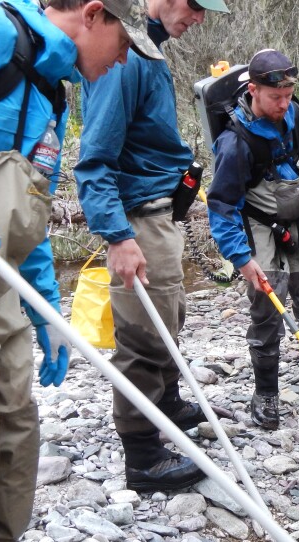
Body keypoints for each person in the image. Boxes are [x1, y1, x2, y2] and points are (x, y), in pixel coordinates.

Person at [0, 0, 158, 539]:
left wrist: (45, 306)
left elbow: (30, 208)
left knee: (15, 443)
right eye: (123, 46)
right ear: (93, 15)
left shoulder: (51, 91)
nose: (122, 63)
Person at [74, 0, 231, 492]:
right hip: (138, 215)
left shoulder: (148, 49)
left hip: (161, 211)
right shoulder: (123, 58)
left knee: (170, 314)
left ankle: (164, 404)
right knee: (145, 332)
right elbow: (94, 160)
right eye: (195, 4)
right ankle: (142, 454)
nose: (200, 17)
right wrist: (118, 235)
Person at [207, 49, 299, 432]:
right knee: (269, 313)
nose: (284, 104)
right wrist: (240, 258)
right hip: (259, 230)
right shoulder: (234, 142)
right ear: (254, 90)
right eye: (276, 97)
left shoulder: (295, 114)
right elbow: (222, 205)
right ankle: (266, 394)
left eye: (289, 95)